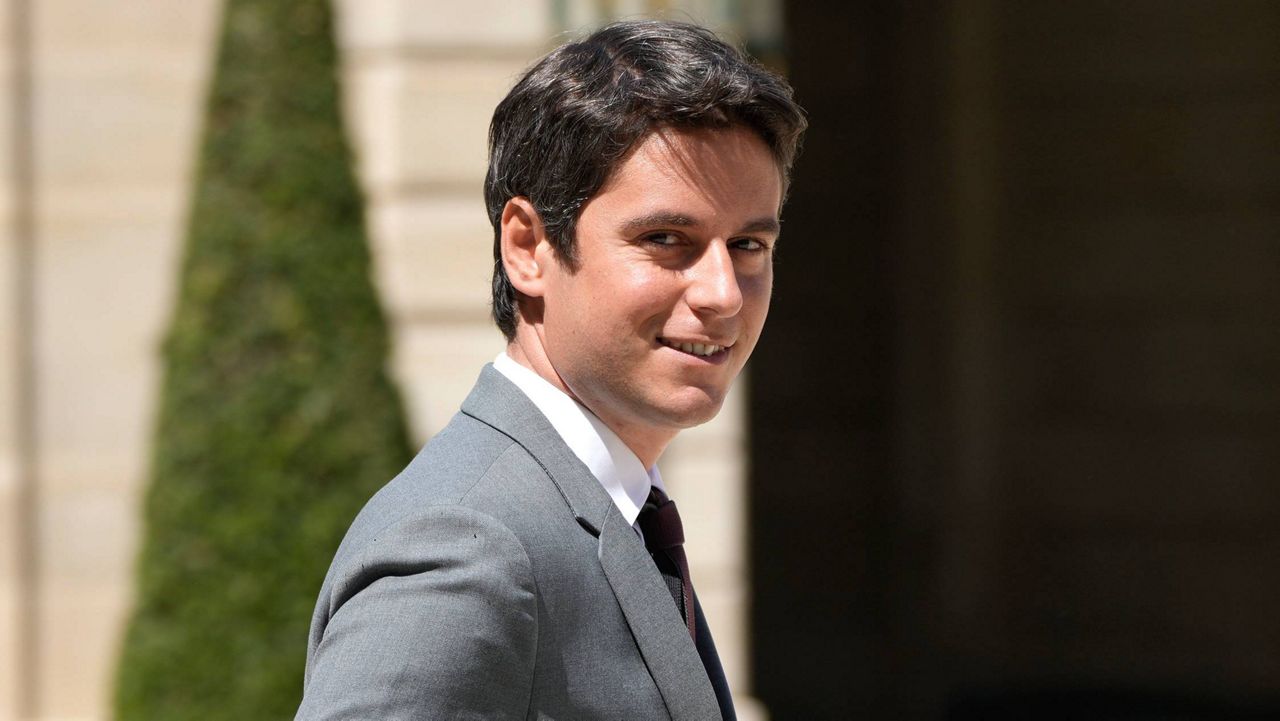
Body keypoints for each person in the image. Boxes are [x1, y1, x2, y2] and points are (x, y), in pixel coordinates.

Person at [296, 19, 805, 721]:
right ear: (528, 247)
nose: (722, 291)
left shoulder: (612, 510)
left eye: (748, 243)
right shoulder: (465, 549)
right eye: (666, 239)